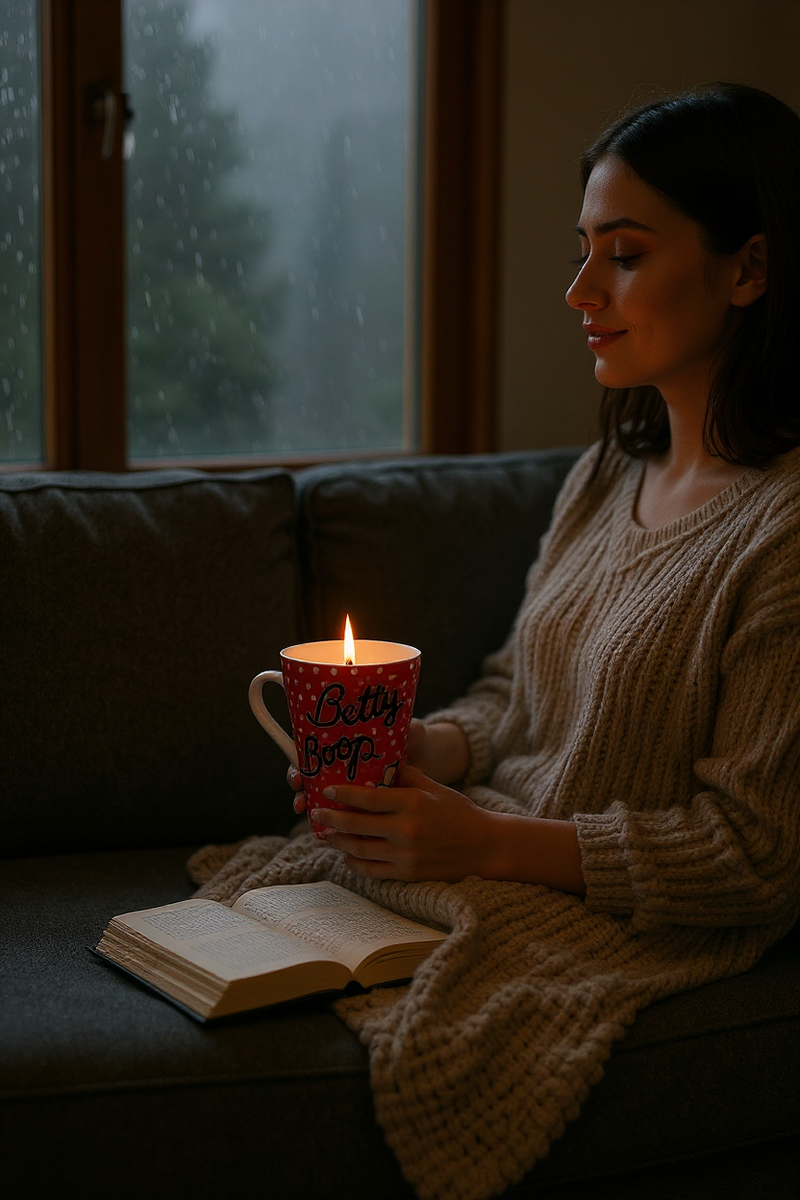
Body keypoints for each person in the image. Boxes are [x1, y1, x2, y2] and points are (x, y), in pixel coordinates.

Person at [288, 83, 800, 931]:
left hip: (582, 907)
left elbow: (758, 855)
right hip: (483, 848)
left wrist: (488, 844)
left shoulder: (782, 534)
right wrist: (426, 749)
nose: (580, 292)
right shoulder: (607, 474)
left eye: (625, 256)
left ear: (750, 268)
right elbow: (515, 695)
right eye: (583, 252)